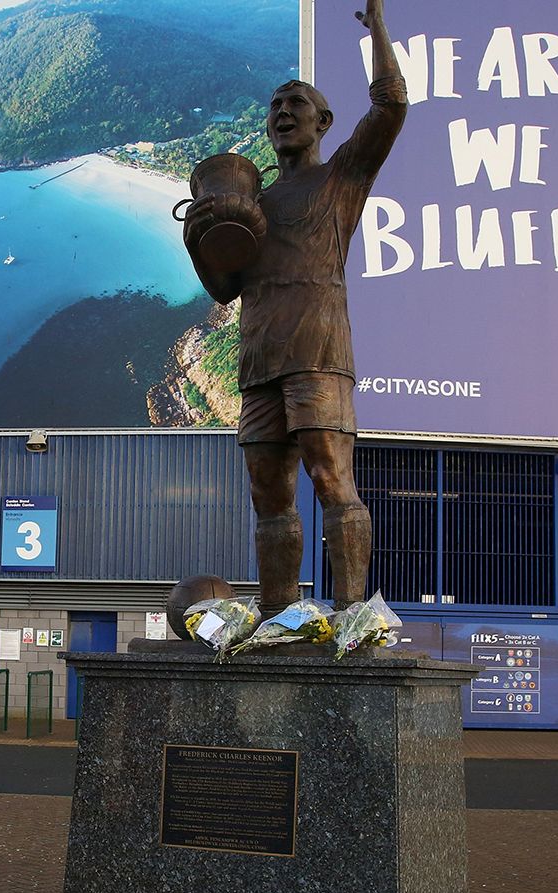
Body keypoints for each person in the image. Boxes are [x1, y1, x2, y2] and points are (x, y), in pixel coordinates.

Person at [183, 0, 405, 615]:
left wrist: (377, 26)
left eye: (296, 104)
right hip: (258, 357)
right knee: (267, 496)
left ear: (323, 121)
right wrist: (197, 241)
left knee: (332, 480)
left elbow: (392, 107)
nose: (283, 113)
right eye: (276, 107)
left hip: (319, 350)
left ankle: (353, 614)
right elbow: (225, 289)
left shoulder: (341, 178)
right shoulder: (253, 204)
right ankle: (281, 618)